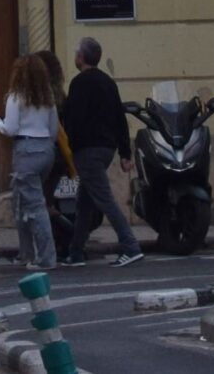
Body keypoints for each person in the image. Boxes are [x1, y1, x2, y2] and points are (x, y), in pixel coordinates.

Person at [58, 38, 145, 267]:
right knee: (84, 202)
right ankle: (75, 252)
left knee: (105, 200)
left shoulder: (78, 84)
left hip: (88, 150)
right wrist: (125, 152)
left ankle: (130, 246)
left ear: (81, 58)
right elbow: (120, 118)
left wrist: (70, 146)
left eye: (77, 53)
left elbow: (72, 119)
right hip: (107, 148)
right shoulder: (108, 82)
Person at [0, 53, 62, 271]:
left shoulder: (15, 97)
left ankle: (46, 258)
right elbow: (54, 130)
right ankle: (26, 253)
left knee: (33, 206)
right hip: (46, 151)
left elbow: (10, 129)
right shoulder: (47, 97)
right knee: (22, 202)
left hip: (26, 152)